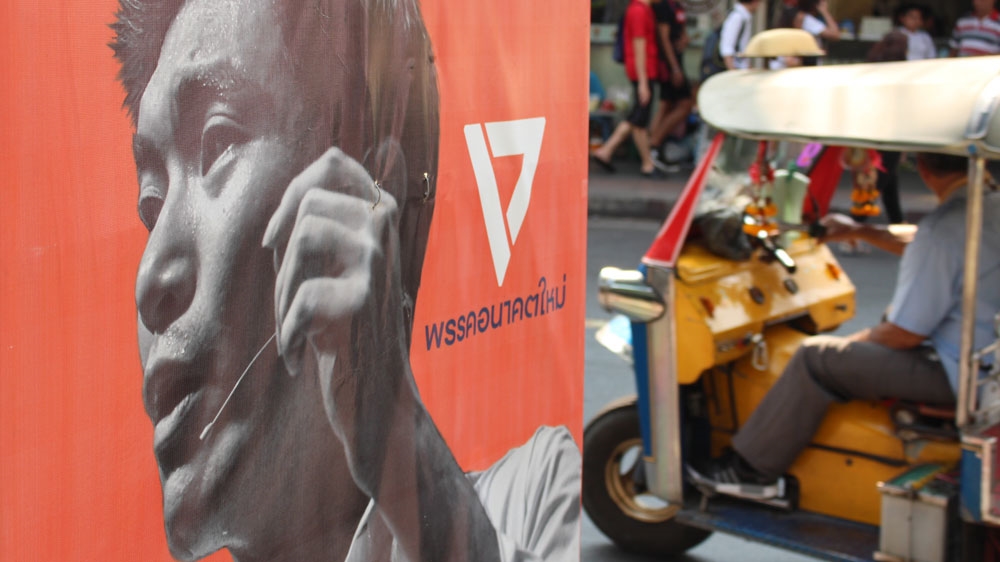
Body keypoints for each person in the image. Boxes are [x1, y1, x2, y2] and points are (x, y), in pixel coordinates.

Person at [111, 0, 581, 560]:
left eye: (218, 143)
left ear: (370, 192)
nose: (151, 278)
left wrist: (398, 439)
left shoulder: (534, 496)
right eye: (151, 205)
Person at [690, 152, 1000, 500]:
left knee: (816, 357)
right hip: (985, 366)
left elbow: (903, 333)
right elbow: (923, 242)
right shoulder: (986, 207)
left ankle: (751, 471)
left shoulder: (943, 229)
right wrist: (861, 231)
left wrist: (855, 343)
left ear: (923, 170)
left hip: (959, 373)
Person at [591, 0, 665, 178]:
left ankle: (606, 151)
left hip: (646, 71)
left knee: (637, 116)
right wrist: (642, 82)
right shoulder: (638, 11)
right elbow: (638, 46)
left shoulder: (644, 9)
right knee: (639, 118)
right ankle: (647, 164)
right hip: (642, 72)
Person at [648, 0, 694, 172]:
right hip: (668, 64)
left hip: (675, 60)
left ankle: (652, 148)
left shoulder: (677, 6)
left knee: (666, 105)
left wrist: (684, 38)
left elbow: (678, 30)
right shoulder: (663, 6)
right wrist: (674, 67)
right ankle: (654, 144)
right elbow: (664, 38)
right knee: (685, 103)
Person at [719, 0, 762, 71]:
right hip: (736, 68)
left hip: (741, 69)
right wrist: (733, 71)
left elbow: (742, 48)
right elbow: (727, 48)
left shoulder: (744, 17)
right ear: (754, 2)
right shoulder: (737, 17)